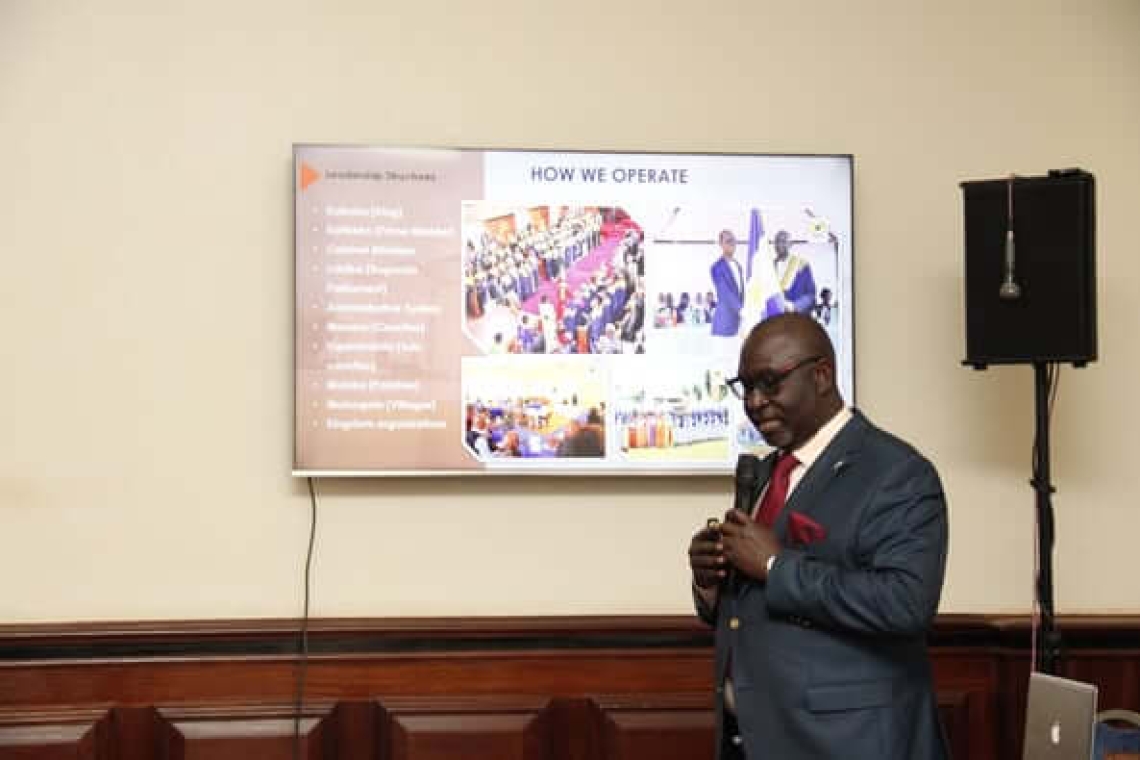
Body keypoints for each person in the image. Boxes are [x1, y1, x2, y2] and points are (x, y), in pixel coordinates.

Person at [687, 313, 949, 759]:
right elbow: (749, 611)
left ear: (822, 375)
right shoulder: (768, 472)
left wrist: (775, 565)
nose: (755, 401)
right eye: (745, 386)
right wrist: (711, 582)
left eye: (770, 383)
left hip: (849, 744)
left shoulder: (897, 473)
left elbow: (905, 604)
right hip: (753, 739)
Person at [745, 230, 817, 323]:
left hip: (794, 319)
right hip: (772, 320)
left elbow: (810, 295)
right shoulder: (768, 267)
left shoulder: (802, 265)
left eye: (783, 241)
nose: (779, 245)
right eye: (777, 241)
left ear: (790, 244)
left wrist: (794, 306)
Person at [709, 230, 745, 337]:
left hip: (739, 322)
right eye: (728, 241)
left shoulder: (738, 265)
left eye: (734, 241)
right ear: (721, 244)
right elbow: (726, 293)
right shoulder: (717, 267)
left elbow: (741, 292)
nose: (732, 244)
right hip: (724, 323)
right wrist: (743, 311)